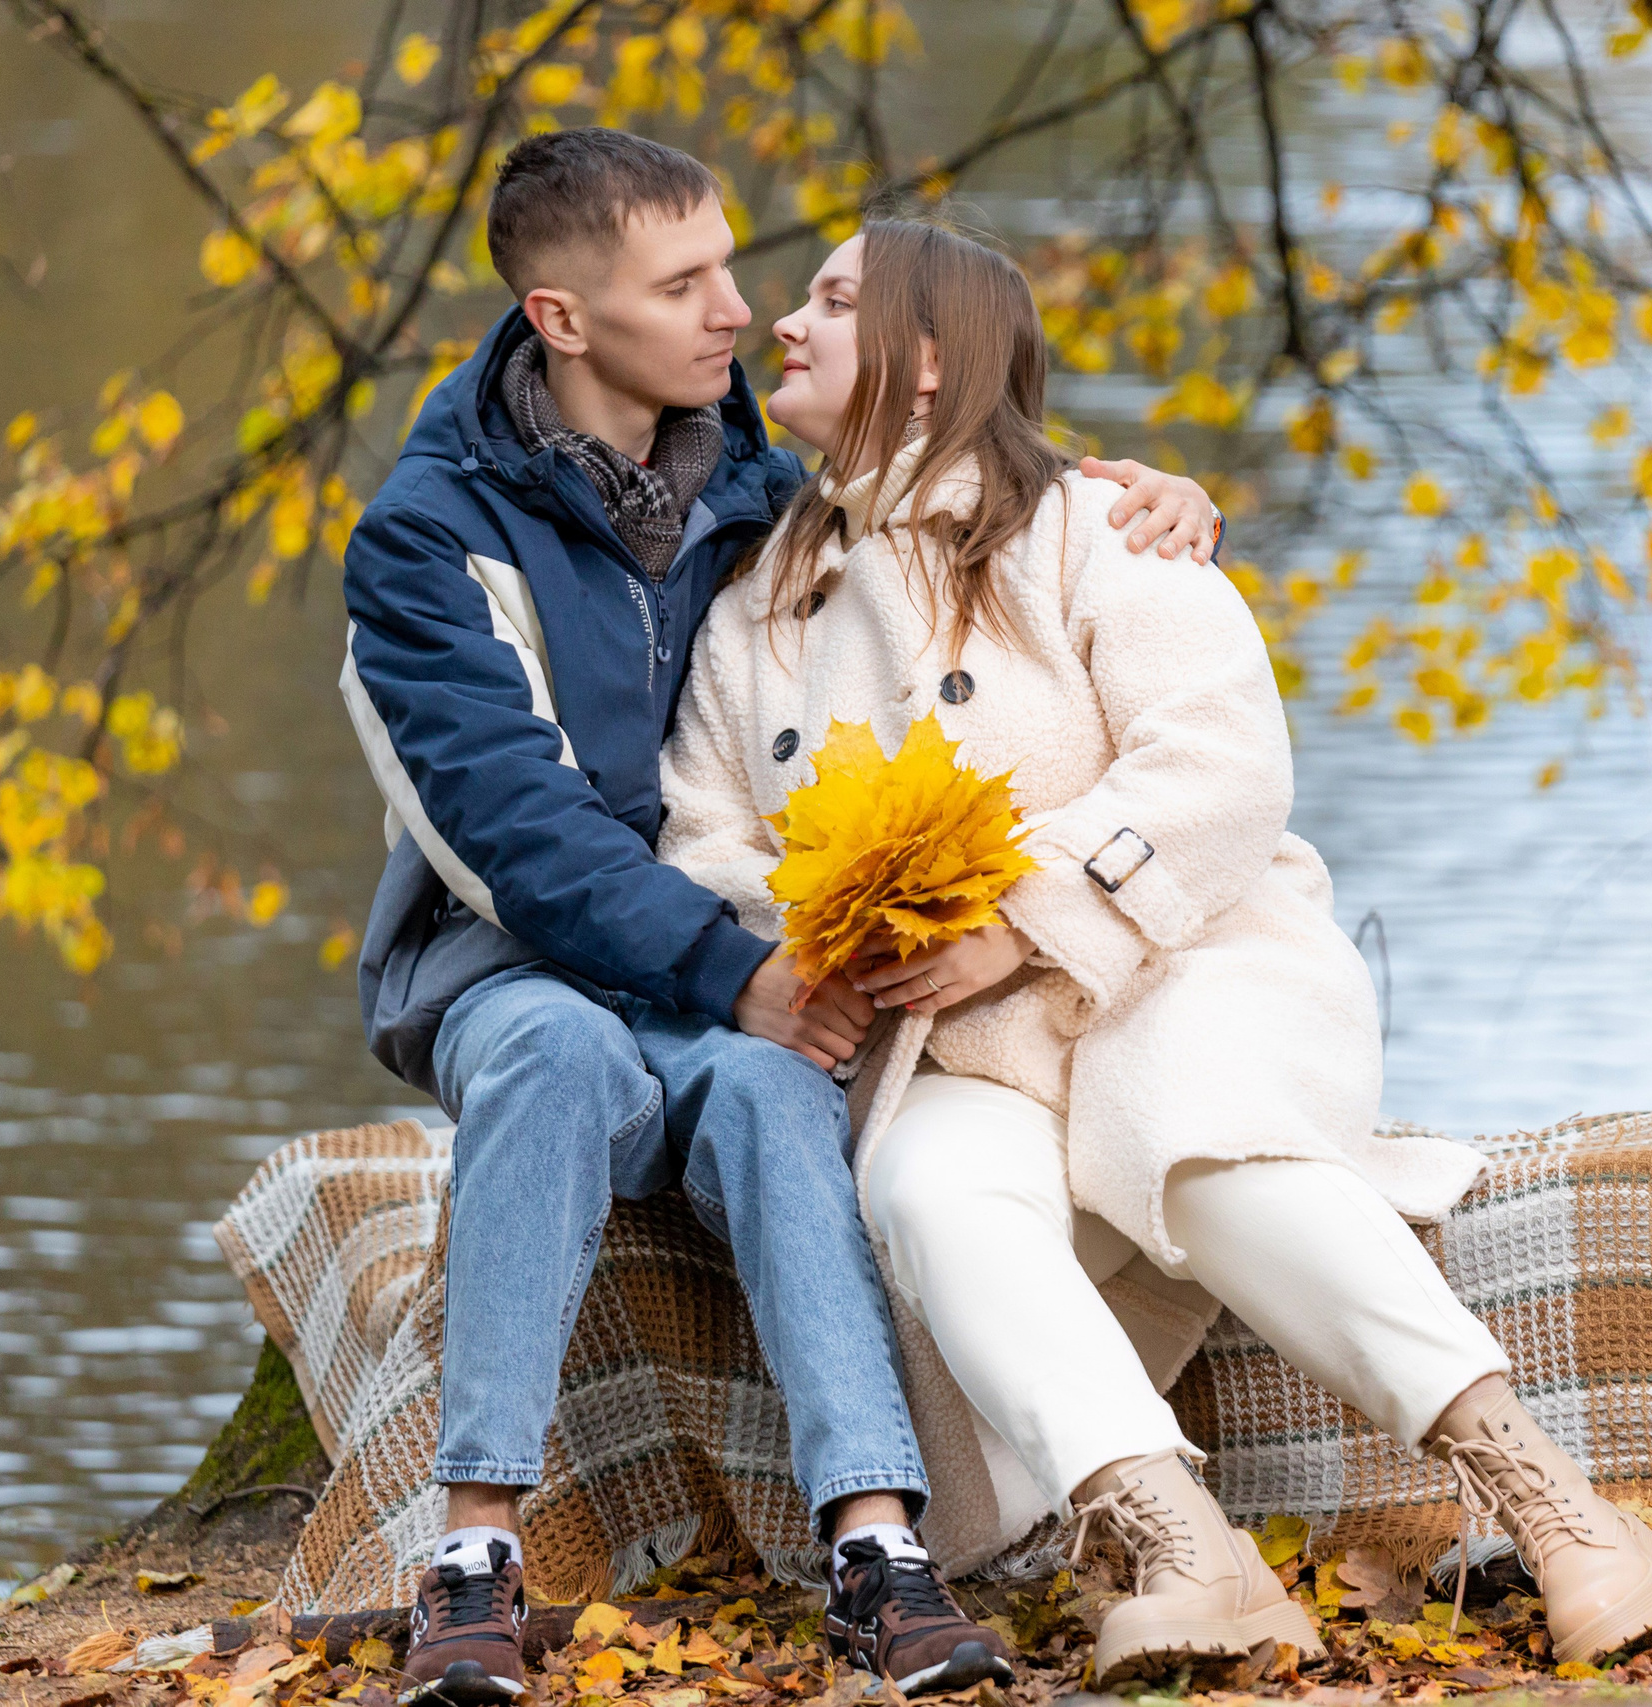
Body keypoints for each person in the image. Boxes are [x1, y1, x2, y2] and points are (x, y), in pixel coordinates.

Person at [656, 218, 1652, 1682]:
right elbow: (701, 836)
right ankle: (1178, 1544)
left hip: (1169, 967)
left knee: (1200, 1142)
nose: (783, 328)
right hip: (947, 1038)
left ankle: (1553, 1501)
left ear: (933, 358)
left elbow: (1218, 762)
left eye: (833, 300)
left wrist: (1020, 918)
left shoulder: (1094, 524)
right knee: (922, 1184)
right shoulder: (757, 606)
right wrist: (833, 926)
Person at [339, 132, 1218, 1704]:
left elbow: (954, 478)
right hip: (516, 969)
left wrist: (1140, 495)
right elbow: (516, 837)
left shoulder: (753, 487)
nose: (733, 310)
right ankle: (472, 1559)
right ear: (560, 317)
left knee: (764, 1093)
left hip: (709, 1000)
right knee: (548, 1048)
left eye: (732, 266)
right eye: (682, 285)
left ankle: (878, 1551)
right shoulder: (429, 537)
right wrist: (740, 971)